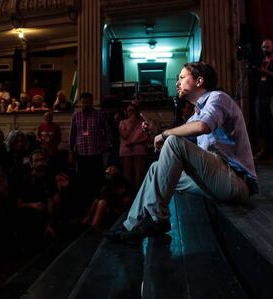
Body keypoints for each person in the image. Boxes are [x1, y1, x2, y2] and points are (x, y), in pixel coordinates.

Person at [106, 62, 258, 243]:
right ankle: (130, 224)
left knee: (173, 141)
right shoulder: (199, 111)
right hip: (217, 180)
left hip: (236, 182)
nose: (177, 83)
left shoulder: (218, 98)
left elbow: (202, 127)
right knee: (156, 167)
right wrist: (156, 131)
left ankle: (158, 219)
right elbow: (183, 131)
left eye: (182, 77)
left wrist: (165, 134)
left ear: (199, 80)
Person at [69, 92, 112, 207]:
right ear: (80, 103)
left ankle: (97, 203)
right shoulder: (76, 116)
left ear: (91, 103)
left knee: (97, 180)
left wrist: (106, 145)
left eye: (87, 102)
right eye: (83, 102)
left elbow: (108, 131)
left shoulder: (99, 115)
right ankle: (85, 204)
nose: (85, 104)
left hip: (96, 153)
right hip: (81, 153)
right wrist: (70, 151)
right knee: (83, 180)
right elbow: (72, 134)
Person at [253, 38, 273, 159]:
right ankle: (262, 150)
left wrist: (263, 71)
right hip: (260, 95)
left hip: (271, 96)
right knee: (260, 123)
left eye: (267, 47)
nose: (265, 50)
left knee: (271, 123)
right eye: (263, 47)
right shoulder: (260, 61)